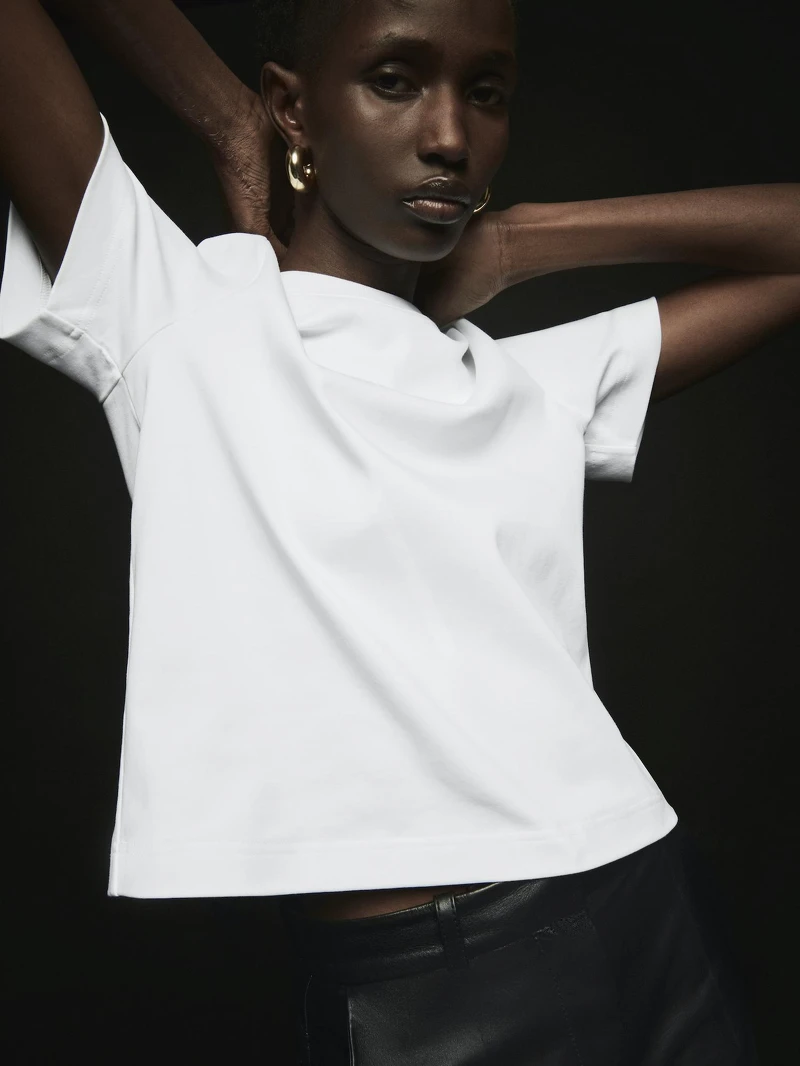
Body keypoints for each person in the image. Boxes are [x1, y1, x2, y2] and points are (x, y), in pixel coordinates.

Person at [1, 0, 797, 1062]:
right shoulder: (176, 314)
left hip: (650, 903)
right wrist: (229, 119)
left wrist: (519, 240)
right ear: (295, 105)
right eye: (394, 79)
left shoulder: (515, 380)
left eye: (486, 93)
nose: (449, 137)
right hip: (435, 988)